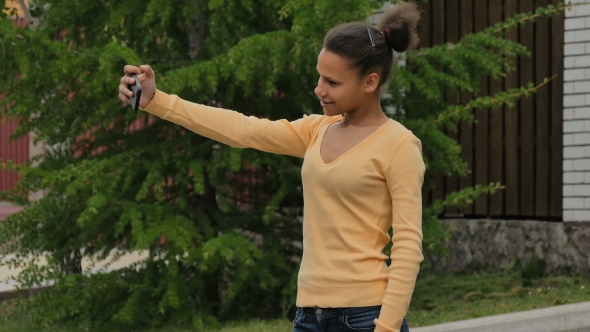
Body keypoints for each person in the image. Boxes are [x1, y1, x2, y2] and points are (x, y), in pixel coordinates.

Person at [118, 2, 424, 332]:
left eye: (332, 82)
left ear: (370, 82)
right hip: (309, 315)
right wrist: (157, 100)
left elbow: (407, 246)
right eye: (319, 77)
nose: (319, 89)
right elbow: (242, 129)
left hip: (365, 317)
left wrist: (388, 327)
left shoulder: (398, 144)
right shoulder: (317, 130)